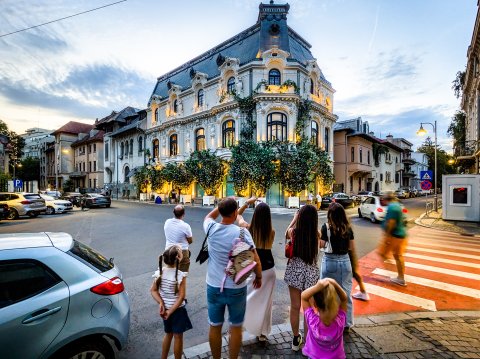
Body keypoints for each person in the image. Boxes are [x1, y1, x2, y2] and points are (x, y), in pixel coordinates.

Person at [204, 197, 262, 359]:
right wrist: (258, 276)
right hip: (237, 286)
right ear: (236, 212)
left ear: (220, 212)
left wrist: (223, 205)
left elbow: (208, 217)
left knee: (215, 326)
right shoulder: (242, 233)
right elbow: (256, 259)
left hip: (214, 286)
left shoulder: (210, 228)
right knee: (236, 327)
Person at [237, 197, 276, 341]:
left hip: (254, 270)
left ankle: (242, 324)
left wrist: (248, 203)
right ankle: (263, 333)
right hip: (270, 270)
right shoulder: (271, 232)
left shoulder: (248, 229)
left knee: (246, 299)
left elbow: (237, 215)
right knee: (266, 303)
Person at [284, 204, 320, 351]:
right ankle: (307, 342)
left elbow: (286, 231)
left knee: (294, 306)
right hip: (311, 271)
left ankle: (295, 339)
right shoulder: (317, 234)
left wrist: (294, 219)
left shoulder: (293, 232)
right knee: (308, 309)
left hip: (295, 271)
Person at [150, 246, 192, 359]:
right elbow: (181, 297)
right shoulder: (180, 275)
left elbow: (153, 290)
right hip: (177, 311)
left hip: (165, 310)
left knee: (168, 334)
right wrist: (171, 311)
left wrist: (161, 303)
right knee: (178, 337)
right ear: (179, 258)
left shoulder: (159, 272)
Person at [319, 202, 355, 331]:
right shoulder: (348, 228)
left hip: (330, 261)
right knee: (346, 293)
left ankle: (328, 319)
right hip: (345, 261)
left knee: (327, 292)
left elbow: (321, 245)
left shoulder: (326, 227)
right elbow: (351, 248)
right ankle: (347, 323)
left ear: (330, 214)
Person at [301, 278, 348, 359]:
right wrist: (334, 283)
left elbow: (304, 297)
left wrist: (317, 287)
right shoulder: (340, 321)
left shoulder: (313, 321)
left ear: (315, 304)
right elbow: (344, 299)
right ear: (334, 302)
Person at [377, 193, 408, 286]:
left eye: (383, 200)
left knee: (384, 254)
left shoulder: (392, 207)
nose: (382, 202)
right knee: (397, 256)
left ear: (386, 200)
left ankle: (397, 275)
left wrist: (387, 236)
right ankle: (400, 277)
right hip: (399, 234)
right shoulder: (397, 205)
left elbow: (391, 223)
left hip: (395, 235)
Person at [164, 205, 193, 272]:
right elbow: (190, 241)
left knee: (169, 273)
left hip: (169, 251)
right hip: (182, 251)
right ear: (183, 214)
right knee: (182, 275)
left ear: (173, 212)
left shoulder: (167, 222)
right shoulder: (186, 226)